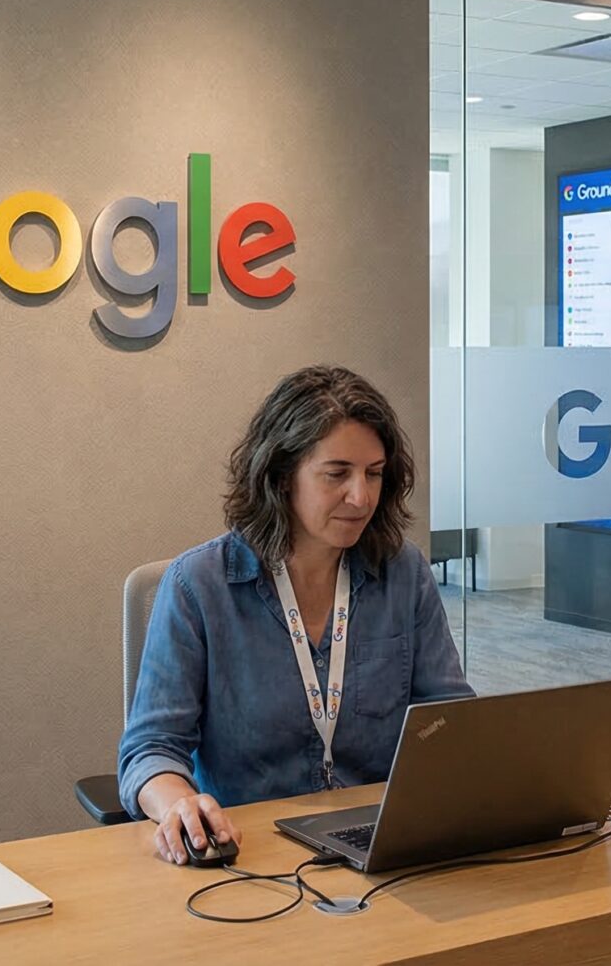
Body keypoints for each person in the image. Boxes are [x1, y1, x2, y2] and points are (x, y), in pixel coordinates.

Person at [116, 365, 473, 865]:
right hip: (251, 850)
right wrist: (179, 804)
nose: (361, 496)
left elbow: (449, 715)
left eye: (374, 474)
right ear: (282, 476)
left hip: (383, 839)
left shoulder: (402, 571)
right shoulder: (197, 586)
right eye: (337, 474)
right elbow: (150, 749)